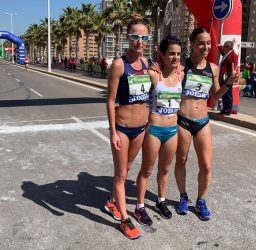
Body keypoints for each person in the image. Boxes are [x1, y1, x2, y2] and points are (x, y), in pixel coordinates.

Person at [174, 28, 238, 220]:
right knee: (181, 161)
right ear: (192, 43)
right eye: (201, 43)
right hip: (182, 120)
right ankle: (183, 197)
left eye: (208, 43)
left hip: (202, 121)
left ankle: (201, 201)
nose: (206, 47)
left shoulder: (213, 68)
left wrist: (228, 83)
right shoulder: (182, 66)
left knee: (207, 166)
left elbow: (215, 96)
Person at [106, 14, 151, 239]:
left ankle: (112, 202)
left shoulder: (147, 64)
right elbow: (110, 100)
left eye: (144, 37)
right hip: (122, 128)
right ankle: (124, 219)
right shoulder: (118, 65)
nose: (139, 41)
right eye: (135, 36)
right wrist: (113, 131)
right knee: (121, 175)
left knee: (128, 169)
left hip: (141, 128)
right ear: (127, 37)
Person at [135, 35, 184, 226]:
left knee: (164, 169)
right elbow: (137, 70)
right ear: (162, 55)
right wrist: (152, 64)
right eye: (171, 54)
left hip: (172, 130)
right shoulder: (154, 75)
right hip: (154, 129)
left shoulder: (182, 74)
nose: (176, 58)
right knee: (147, 169)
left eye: (179, 54)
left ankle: (161, 201)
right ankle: (139, 206)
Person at [217, 40, 238, 115]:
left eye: (225, 46)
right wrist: (219, 47)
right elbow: (223, 52)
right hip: (224, 77)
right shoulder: (227, 53)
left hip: (228, 77)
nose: (223, 48)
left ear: (228, 47)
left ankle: (227, 110)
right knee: (224, 93)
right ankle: (225, 108)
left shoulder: (233, 55)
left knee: (228, 94)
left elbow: (233, 67)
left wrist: (230, 78)